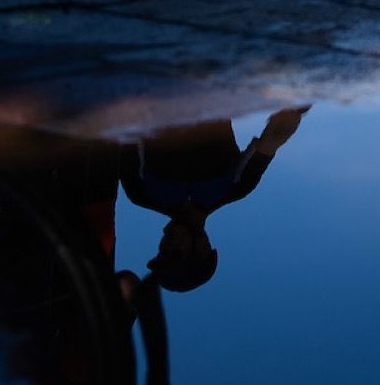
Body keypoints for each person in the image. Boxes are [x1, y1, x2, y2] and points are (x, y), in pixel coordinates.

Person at [118, 108, 307, 293]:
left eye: (162, 253)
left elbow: (123, 132)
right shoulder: (235, 188)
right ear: (203, 249)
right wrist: (297, 106)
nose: (166, 247)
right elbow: (272, 139)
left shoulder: (141, 193)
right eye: (176, 254)